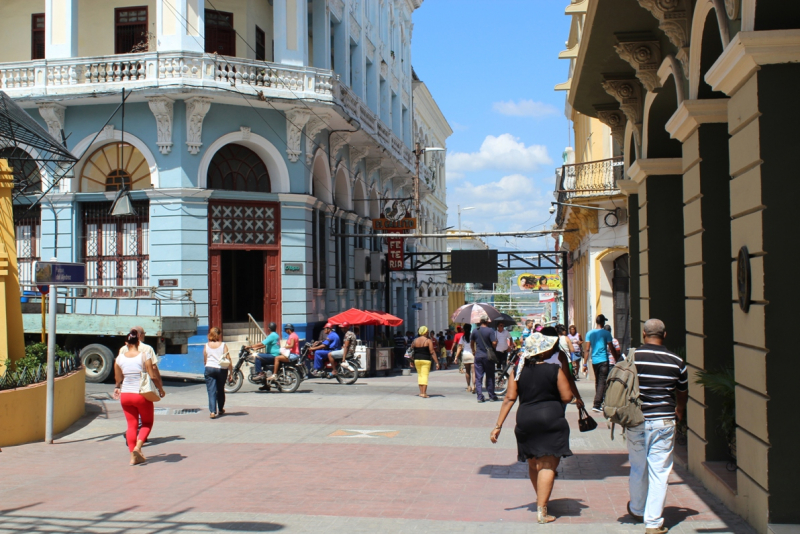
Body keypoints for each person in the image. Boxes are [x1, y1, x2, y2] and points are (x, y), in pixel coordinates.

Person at [490, 332, 574, 523]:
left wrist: (498, 426)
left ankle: (540, 500)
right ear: (544, 351)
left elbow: (509, 398)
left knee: (533, 463)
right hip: (551, 418)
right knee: (547, 465)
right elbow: (567, 396)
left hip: (525, 419)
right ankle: (542, 510)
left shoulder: (518, 371)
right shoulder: (555, 370)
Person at [626, 319, 688, 534]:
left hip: (635, 420)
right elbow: (682, 390)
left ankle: (636, 508)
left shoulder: (632, 357)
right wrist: (679, 410)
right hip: (663, 420)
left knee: (637, 467)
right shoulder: (677, 361)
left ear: (644, 334)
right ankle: (653, 523)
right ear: (665, 334)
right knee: (659, 472)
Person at [113, 329, 165, 465]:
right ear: (138, 341)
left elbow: (118, 378)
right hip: (141, 395)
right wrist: (160, 389)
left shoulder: (119, 358)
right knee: (147, 423)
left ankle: (132, 457)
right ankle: (138, 447)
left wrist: (117, 387)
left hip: (126, 395)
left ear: (126, 343)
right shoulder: (144, 355)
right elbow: (152, 375)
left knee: (131, 425)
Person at [584, 314, 619, 413]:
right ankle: (597, 403)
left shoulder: (589, 333)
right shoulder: (606, 333)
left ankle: (599, 401)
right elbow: (611, 348)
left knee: (598, 381)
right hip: (604, 360)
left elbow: (587, 349)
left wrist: (584, 364)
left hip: (595, 361)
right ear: (603, 322)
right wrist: (616, 359)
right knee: (602, 381)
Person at [471, 314, 498, 403]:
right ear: (487, 321)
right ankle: (491, 395)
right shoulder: (490, 331)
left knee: (479, 377)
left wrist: (474, 351)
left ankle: (480, 396)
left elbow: (472, 342)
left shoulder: (475, 331)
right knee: (490, 376)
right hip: (488, 356)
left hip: (478, 355)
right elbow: (494, 342)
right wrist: (493, 346)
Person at [203, 327, 230, 418]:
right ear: (219, 335)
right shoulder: (223, 345)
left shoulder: (206, 345)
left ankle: (212, 412)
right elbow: (228, 358)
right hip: (221, 369)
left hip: (209, 368)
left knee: (211, 390)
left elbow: (205, 359)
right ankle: (221, 409)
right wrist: (231, 371)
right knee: (220, 389)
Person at [247, 322, 282, 387]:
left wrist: (250, 346)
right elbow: (264, 345)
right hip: (273, 354)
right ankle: (266, 385)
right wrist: (256, 348)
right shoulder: (276, 334)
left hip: (273, 355)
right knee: (261, 361)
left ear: (268, 328)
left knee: (257, 357)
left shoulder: (272, 335)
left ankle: (260, 374)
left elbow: (262, 343)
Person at [408, 326, 439, 398]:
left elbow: (411, 351)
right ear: (425, 332)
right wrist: (437, 362)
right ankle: (424, 393)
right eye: (427, 331)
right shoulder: (428, 341)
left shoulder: (415, 340)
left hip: (417, 360)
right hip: (426, 360)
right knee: (425, 376)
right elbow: (432, 352)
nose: (428, 332)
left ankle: (421, 392)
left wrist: (411, 361)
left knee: (420, 376)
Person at [453, 324, 475, 392]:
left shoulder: (462, 337)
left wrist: (456, 357)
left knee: (467, 372)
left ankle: (468, 386)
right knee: (474, 372)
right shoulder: (473, 336)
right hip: (472, 355)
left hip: (465, 355)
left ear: (464, 329)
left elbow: (459, 347)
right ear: (470, 328)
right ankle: (474, 386)